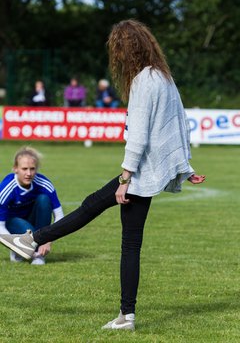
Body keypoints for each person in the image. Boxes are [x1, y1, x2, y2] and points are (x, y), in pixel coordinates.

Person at [0, 20, 205, 328]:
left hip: (139, 175)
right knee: (116, 229)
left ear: (127, 49)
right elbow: (177, 125)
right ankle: (126, 315)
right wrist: (184, 167)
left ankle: (33, 240)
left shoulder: (142, 81)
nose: (117, 56)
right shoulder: (163, 77)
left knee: (94, 209)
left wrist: (125, 180)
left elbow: (139, 136)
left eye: (118, 49)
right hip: (147, 173)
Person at [0, 147, 64, 265]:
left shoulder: (44, 184)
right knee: (21, 224)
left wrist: (48, 240)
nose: (28, 173)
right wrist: (16, 246)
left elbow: (60, 216)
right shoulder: (6, 189)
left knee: (44, 200)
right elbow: (0, 226)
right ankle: (22, 251)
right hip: (12, 224)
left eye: (32, 169)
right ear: (15, 169)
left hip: (35, 223)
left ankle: (39, 255)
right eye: (24, 169)